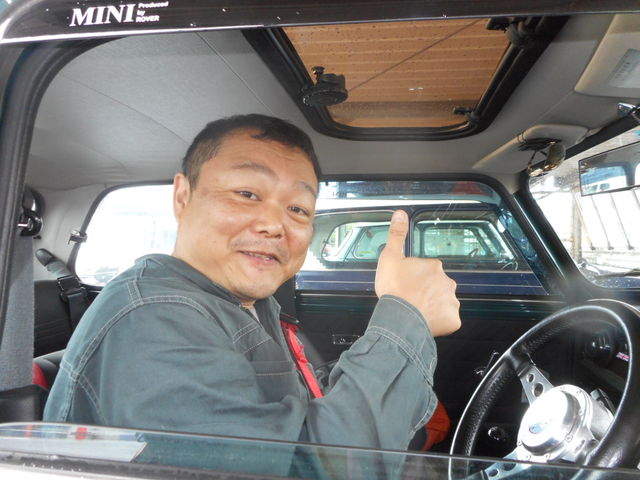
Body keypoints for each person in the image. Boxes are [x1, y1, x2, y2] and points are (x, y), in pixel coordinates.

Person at [44, 114, 460, 450]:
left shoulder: (246, 303)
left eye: (298, 209)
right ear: (182, 196)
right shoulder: (152, 319)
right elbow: (305, 470)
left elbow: (294, 407)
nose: (274, 224)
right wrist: (407, 320)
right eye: (246, 194)